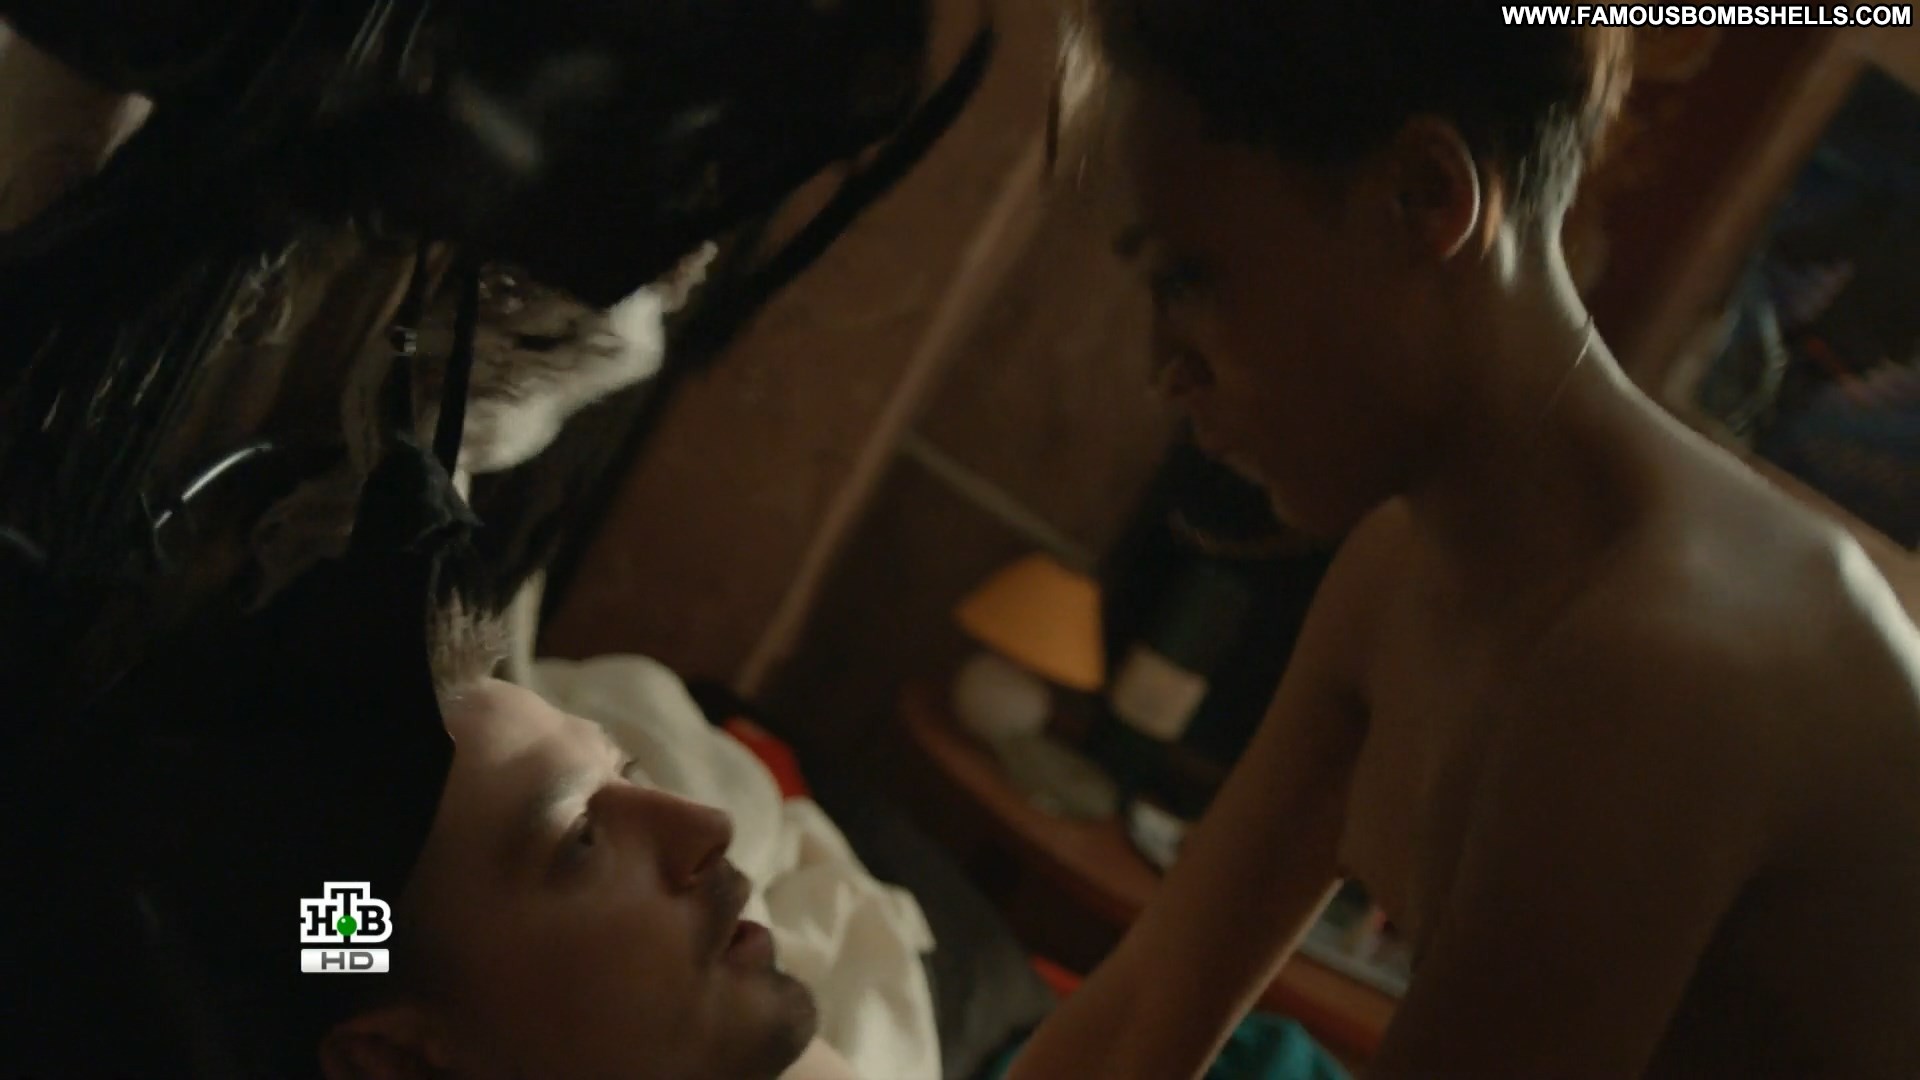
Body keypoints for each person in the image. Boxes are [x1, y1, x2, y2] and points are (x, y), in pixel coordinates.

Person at [1001, 4, 1920, 1078]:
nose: (1165, 365)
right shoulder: (1401, 569)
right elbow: (1145, 1015)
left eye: (1190, 278)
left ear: (1427, 197)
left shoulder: (1674, 661)